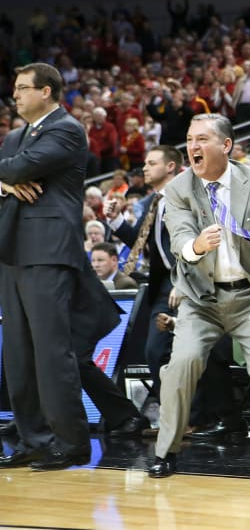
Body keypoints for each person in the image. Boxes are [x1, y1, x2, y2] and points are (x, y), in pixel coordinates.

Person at [148, 113, 250, 477]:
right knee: (181, 365)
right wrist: (195, 247)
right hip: (201, 300)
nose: (192, 147)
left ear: (225, 145)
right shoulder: (179, 188)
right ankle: (166, 452)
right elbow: (179, 237)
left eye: (202, 139)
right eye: (189, 139)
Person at [0, 63, 95, 470]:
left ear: (47, 92)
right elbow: (10, 173)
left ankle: (70, 442)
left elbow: (20, 169)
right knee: (19, 354)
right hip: (12, 250)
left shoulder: (67, 129)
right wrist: (3, 182)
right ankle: (33, 438)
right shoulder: (14, 137)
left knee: (51, 351)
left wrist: (8, 177)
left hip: (49, 250)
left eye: (23, 88)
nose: (15, 95)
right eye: (15, 88)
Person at [103, 144, 182, 409]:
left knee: (182, 352)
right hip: (162, 284)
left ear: (170, 166)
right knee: (155, 351)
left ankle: (194, 416)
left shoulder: (185, 196)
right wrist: (115, 222)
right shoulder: (152, 201)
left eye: (151, 163)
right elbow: (139, 239)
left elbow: (195, 243)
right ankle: (172, 414)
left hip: (186, 282)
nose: (144, 168)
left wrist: (183, 280)